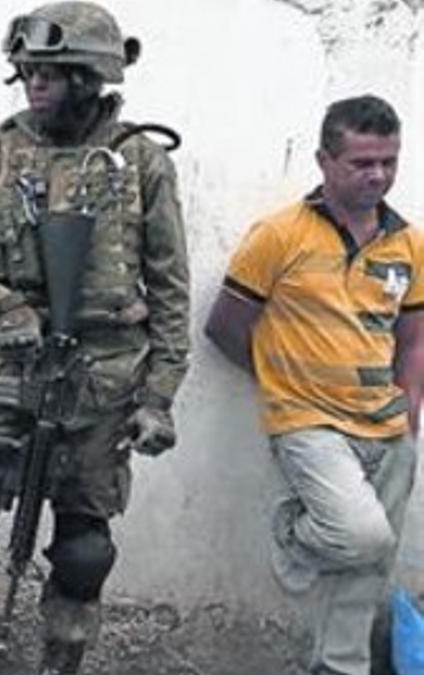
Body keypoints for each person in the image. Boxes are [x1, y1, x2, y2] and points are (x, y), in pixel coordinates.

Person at [0, 4, 190, 674]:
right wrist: (1, 305)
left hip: (102, 374)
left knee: (84, 549)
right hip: (5, 363)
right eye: (25, 71)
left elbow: (169, 290)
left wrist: (159, 396)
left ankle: (62, 660)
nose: (32, 83)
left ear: (88, 75)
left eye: (48, 71)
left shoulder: (138, 162)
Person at [205, 95, 424, 675]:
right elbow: (224, 327)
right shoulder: (279, 236)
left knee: (372, 565)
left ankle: (339, 665)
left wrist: (410, 411)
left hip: (388, 421)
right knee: (362, 538)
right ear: (325, 160)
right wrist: (282, 382)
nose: (377, 175)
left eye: (389, 161)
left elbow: (414, 337)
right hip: (309, 423)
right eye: (362, 163)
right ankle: (293, 535)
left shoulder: (410, 243)